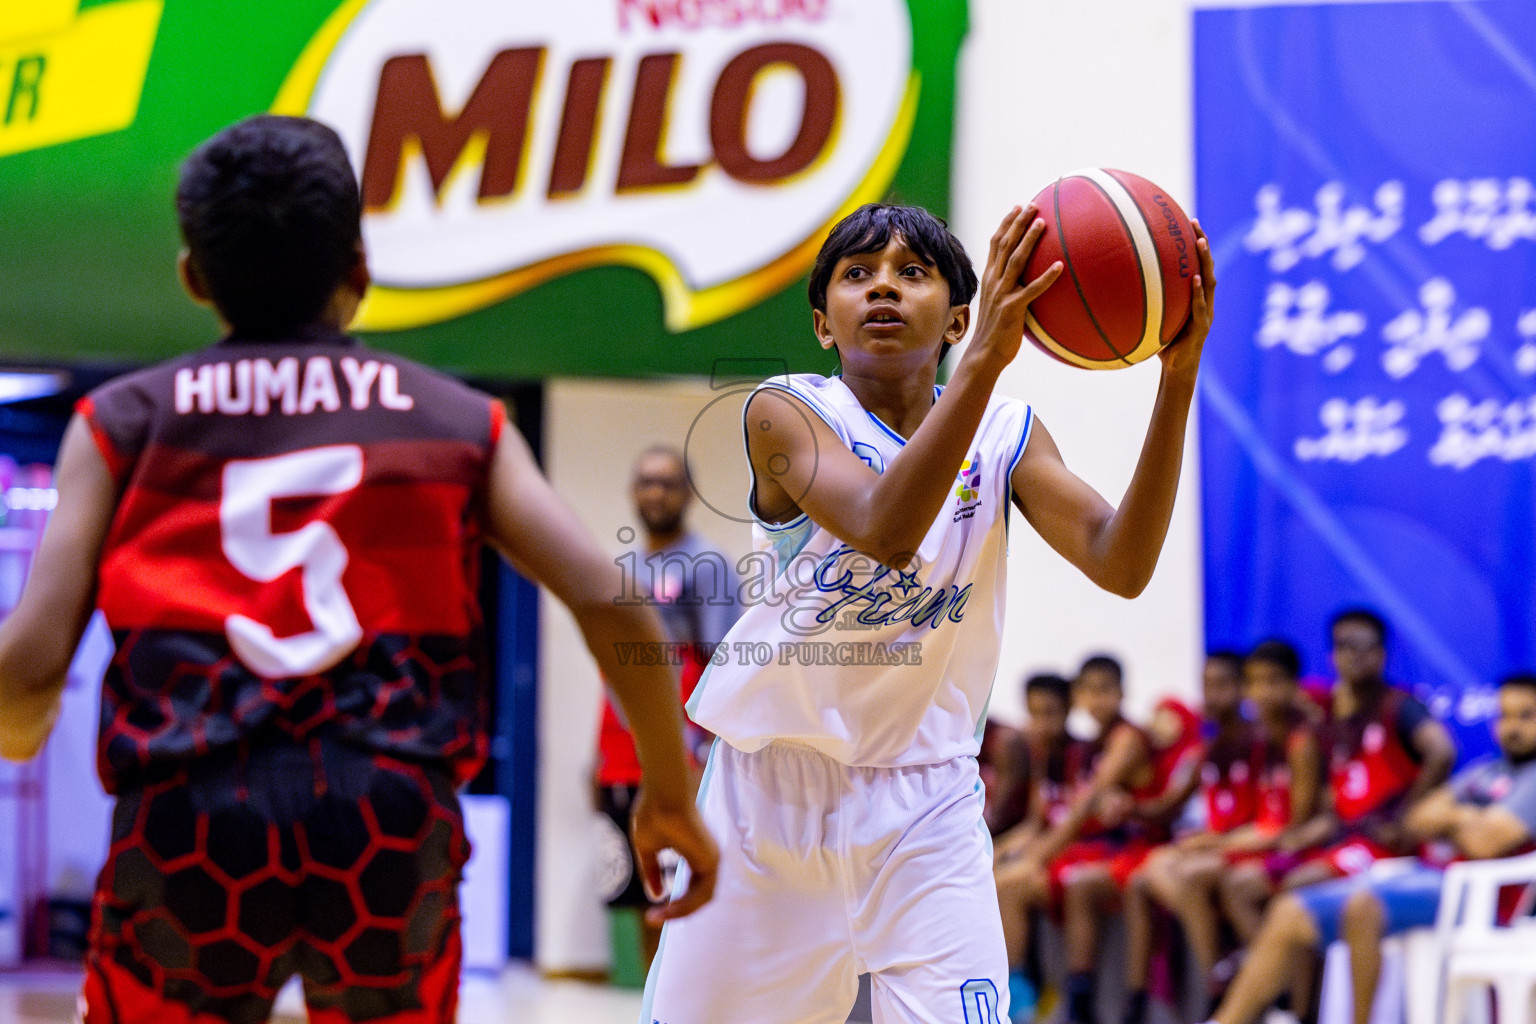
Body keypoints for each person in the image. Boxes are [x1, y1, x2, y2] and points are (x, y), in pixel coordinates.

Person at [0, 115, 717, 1024]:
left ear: (192, 275)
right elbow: (609, 599)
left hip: (190, 824)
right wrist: (669, 793)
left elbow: (26, 671)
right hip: (387, 819)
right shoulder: (458, 422)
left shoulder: (122, 423)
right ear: (360, 268)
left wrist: (20, 732)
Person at [641, 199, 1215, 1024]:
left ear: (954, 319)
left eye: (912, 274)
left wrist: (1176, 378)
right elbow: (884, 528)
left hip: (927, 805)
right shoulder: (785, 410)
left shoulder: (1007, 434)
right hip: (770, 800)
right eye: (858, 275)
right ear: (822, 324)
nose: (883, 288)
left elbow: (1121, 565)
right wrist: (985, 363)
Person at [1203, 671, 1536, 1024]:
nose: (1511, 726)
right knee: (1289, 910)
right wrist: (1468, 821)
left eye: (1525, 715)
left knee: (1363, 905)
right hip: (1430, 877)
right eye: (1504, 715)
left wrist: (1451, 819)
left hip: (1486, 901)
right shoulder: (1486, 771)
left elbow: (1485, 843)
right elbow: (1418, 819)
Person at [595, 445, 741, 970]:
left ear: (688, 492)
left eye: (667, 482)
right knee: (640, 892)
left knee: (688, 890)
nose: (655, 492)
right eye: (645, 481)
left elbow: (725, 662)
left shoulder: (707, 567)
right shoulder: (622, 569)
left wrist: (699, 744)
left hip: (682, 756)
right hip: (619, 752)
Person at [1281, 609, 1456, 892]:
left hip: (1388, 848)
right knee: (1258, 883)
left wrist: (1404, 819)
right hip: (1346, 840)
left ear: (1382, 655)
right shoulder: (1327, 721)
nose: (1356, 655)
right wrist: (1296, 839)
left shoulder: (1400, 706)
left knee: (1299, 885)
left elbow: (1442, 751)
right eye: (1346, 646)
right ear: (1332, 656)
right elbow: (1334, 806)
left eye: (1366, 646)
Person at [1121, 652, 1253, 1023]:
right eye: (1206, 686)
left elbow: (1269, 819)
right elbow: (1167, 806)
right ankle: (1141, 1000)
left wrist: (1215, 841)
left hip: (1241, 847)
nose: (1211, 696)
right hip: (1210, 844)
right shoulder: (1203, 753)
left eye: (1222, 686)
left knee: (1179, 872)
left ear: (1244, 690)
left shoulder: (1258, 742)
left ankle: (1222, 981)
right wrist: (1129, 806)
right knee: (1144, 877)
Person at [994, 672, 1078, 1016]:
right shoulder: (1041, 756)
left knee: (1007, 884)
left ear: (1070, 709)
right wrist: (993, 850)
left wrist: (1032, 855)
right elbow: (1035, 822)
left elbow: (1074, 826)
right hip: (1049, 851)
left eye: (1050, 713)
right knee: (985, 869)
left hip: (1076, 853)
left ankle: (1020, 989)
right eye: (1034, 714)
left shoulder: (1081, 754)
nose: (1041, 723)